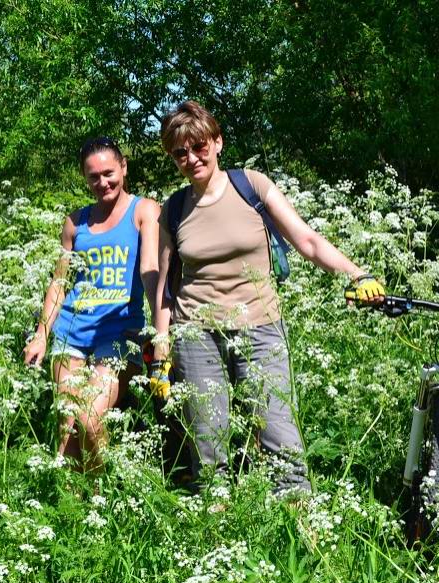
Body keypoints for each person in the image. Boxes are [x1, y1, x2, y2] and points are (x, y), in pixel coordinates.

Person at [151, 101, 384, 493]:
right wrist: (161, 357)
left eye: (199, 147)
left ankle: (298, 522)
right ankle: (219, 520)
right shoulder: (173, 210)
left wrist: (357, 274)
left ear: (218, 142)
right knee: (209, 442)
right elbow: (165, 289)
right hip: (195, 334)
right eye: (180, 152)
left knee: (278, 431)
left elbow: (307, 241)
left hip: (259, 326)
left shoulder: (252, 186)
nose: (191, 158)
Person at [23, 137, 160, 472]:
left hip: (118, 334)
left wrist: (159, 332)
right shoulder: (75, 222)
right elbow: (60, 283)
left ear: (124, 167)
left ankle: (103, 495)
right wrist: (42, 334)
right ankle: (76, 513)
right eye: (93, 177)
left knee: (88, 420)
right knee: (67, 432)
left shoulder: (144, 211)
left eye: (109, 173)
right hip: (71, 332)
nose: (103, 183)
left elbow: (150, 270)